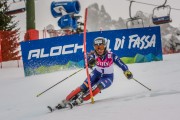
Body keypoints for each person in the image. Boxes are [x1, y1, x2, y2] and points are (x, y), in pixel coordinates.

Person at [56, 37, 133, 109]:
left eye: (101, 47)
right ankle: (66, 100)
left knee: (97, 87)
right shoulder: (93, 55)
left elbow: (121, 63)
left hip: (107, 77)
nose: (99, 50)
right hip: (96, 74)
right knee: (83, 87)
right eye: (97, 47)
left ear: (105, 47)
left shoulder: (111, 55)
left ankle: (81, 99)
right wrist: (89, 62)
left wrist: (126, 71)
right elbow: (87, 61)